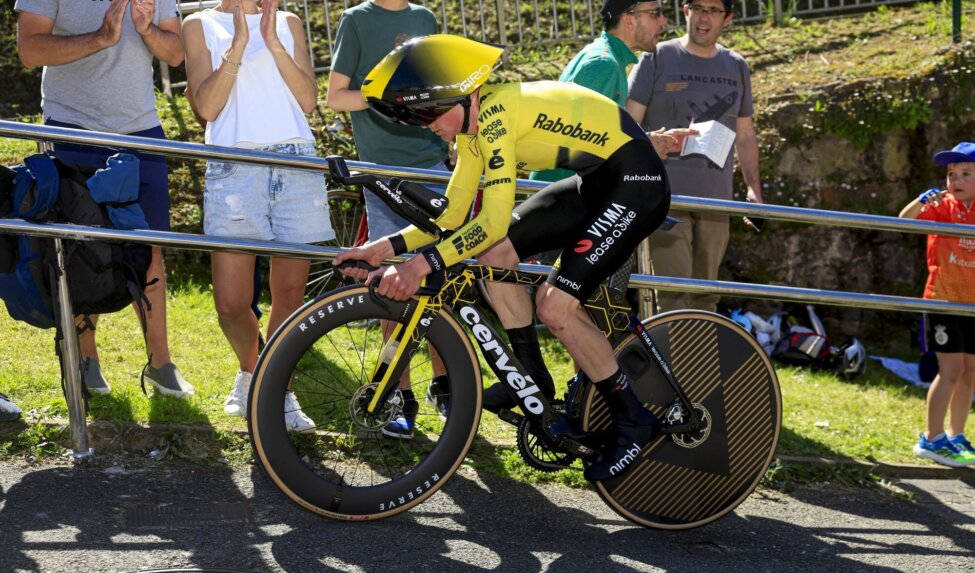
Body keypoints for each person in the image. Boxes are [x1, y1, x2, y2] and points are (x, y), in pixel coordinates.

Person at [334, 34, 671, 481]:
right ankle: (532, 380)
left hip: (635, 183)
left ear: (463, 96)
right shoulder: (475, 130)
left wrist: (421, 264)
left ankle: (634, 419)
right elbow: (453, 216)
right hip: (596, 181)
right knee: (495, 254)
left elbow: (490, 221)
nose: (424, 126)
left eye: (428, 114)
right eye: (416, 117)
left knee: (554, 305)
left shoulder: (496, 116)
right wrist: (383, 248)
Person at [16, 0, 195, 398]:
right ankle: (85, 357)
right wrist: (99, 38)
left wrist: (148, 31)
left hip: (141, 129)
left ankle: (160, 364)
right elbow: (29, 50)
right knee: (80, 248)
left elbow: (176, 53)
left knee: (149, 248)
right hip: (72, 128)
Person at [182, 0, 332, 431]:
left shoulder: (287, 22)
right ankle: (253, 372)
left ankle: (277, 390)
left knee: (289, 294)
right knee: (230, 303)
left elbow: (308, 100)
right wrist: (238, 45)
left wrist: (272, 43)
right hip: (234, 165)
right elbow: (207, 108)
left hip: (296, 161)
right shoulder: (199, 24)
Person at [326, 0, 451, 439]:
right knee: (390, 287)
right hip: (381, 175)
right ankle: (400, 394)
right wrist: (386, 95)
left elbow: (441, 89)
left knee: (438, 282)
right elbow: (335, 96)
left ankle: (445, 386)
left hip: (433, 168)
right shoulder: (356, 21)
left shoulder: (424, 18)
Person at [625, 0, 763, 313]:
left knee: (707, 296)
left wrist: (753, 189)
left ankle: (700, 348)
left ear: (727, 18)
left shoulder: (736, 65)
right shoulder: (657, 56)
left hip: (716, 203)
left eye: (713, 10)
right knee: (674, 295)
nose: (704, 17)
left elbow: (745, 135)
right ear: (686, 11)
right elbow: (628, 124)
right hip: (666, 199)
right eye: (698, 7)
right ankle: (671, 348)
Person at [532, 0, 683, 182]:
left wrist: (648, 141)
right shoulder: (603, 65)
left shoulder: (609, 59)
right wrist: (646, 148)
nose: (663, 20)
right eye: (655, 13)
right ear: (628, 20)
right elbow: (587, 143)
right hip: (563, 189)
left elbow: (600, 135)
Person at [899, 141, 975, 467]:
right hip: (943, 300)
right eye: (951, 174)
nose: (956, 180)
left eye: (966, 174)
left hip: (972, 305)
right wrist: (921, 200)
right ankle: (931, 439)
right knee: (951, 371)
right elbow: (904, 220)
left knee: (970, 372)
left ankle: (956, 436)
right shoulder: (942, 206)